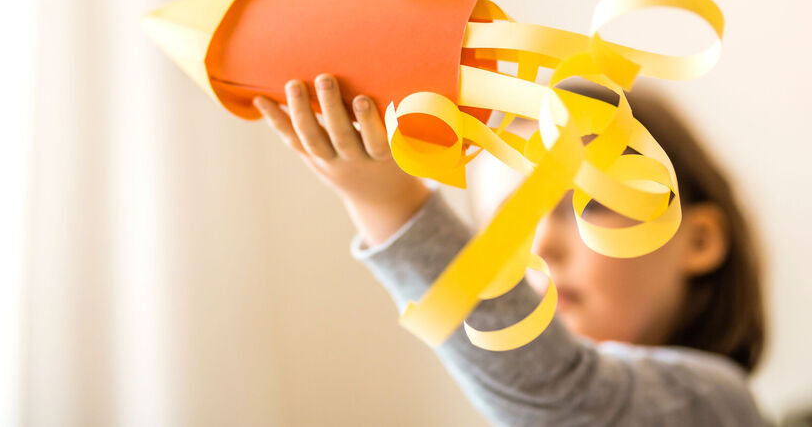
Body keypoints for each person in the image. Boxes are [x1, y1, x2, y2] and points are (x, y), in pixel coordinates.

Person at [252, 72, 767, 426]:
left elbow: (565, 393)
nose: (540, 244)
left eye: (589, 204)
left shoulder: (715, 403)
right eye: (506, 226)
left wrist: (392, 206)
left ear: (699, 240)